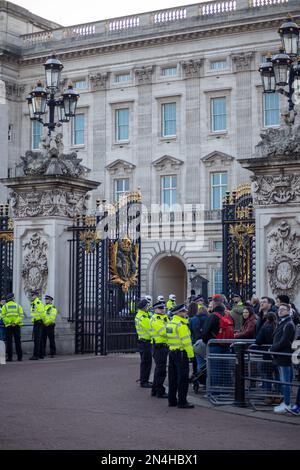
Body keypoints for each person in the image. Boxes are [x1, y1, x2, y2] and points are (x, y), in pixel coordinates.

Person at [166, 304, 195, 408]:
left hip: (172, 352)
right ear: (178, 313)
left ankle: (172, 400)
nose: (186, 313)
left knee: (172, 378)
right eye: (183, 311)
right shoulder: (181, 325)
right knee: (182, 379)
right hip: (181, 354)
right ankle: (182, 401)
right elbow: (187, 343)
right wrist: (191, 356)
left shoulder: (170, 324)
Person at [270, 304, 295, 413]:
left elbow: (284, 341)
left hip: (284, 355)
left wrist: (273, 349)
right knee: (284, 381)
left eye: (283, 309)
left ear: (288, 311)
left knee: (285, 382)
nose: (280, 311)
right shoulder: (284, 322)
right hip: (281, 355)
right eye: (279, 309)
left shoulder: (288, 324)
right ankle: (285, 402)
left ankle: (287, 403)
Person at [255, 312, 279, 404]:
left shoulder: (265, 326)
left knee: (267, 375)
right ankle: (278, 396)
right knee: (277, 376)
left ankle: (268, 396)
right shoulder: (278, 325)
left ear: (266, 318)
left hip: (267, 354)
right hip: (277, 355)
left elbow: (258, 340)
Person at [150, 301, 169, 398]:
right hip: (159, 347)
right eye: (161, 308)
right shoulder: (155, 319)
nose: (163, 310)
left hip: (163, 346)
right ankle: (159, 391)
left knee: (159, 369)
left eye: (164, 308)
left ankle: (155, 389)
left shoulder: (163, 317)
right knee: (160, 370)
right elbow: (164, 332)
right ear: (155, 309)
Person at [135, 298, 153, 388]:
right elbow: (150, 329)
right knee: (146, 363)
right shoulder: (144, 318)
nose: (148, 307)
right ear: (144, 307)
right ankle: (144, 381)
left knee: (145, 362)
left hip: (142, 341)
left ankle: (144, 380)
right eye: (147, 306)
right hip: (145, 342)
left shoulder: (139, 315)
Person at [0, 293, 24, 362]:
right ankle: (20, 357)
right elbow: (21, 316)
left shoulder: (5, 306)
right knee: (18, 341)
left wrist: (10, 322)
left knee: (9, 342)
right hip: (16, 326)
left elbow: (3, 316)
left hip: (8, 326)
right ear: (13, 298)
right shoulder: (18, 306)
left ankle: (10, 357)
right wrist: (15, 322)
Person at [30, 290, 46, 360]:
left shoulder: (37, 302)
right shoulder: (34, 302)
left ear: (36, 295)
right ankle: (41, 355)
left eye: (33, 295)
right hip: (37, 322)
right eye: (31, 295)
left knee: (37, 339)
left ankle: (36, 355)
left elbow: (42, 313)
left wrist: (41, 320)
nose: (32, 296)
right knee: (39, 339)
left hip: (38, 322)